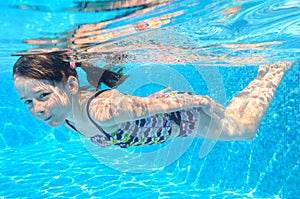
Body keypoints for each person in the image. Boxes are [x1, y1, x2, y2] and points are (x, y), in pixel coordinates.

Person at [12, 52, 294, 148]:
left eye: (42, 96)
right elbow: (142, 107)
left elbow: (154, 107)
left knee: (245, 130)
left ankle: (274, 71)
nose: (36, 109)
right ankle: (265, 75)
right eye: (28, 102)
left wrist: (204, 102)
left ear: (71, 85)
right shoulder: (61, 114)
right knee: (239, 124)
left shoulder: (103, 110)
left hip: (182, 116)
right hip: (165, 118)